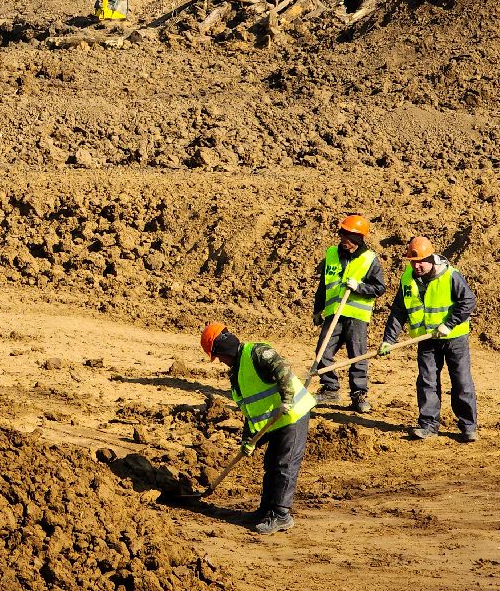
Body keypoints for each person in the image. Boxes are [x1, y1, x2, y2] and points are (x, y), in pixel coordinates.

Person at [200, 321, 315, 534]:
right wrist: (248, 439)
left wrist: (287, 399)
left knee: (284, 464)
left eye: (218, 357)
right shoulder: (236, 376)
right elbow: (251, 411)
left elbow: (283, 369)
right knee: (271, 464)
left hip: (294, 412)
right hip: (277, 421)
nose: (221, 362)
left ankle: (281, 515)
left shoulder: (256, 352)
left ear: (222, 348)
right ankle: (266, 509)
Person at [379, 236, 479, 442]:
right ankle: (428, 425)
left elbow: (468, 301)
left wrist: (448, 324)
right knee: (427, 381)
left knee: (461, 381)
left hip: (454, 338)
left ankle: (468, 426)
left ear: (431, 258)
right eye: (413, 262)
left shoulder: (450, 276)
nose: (416, 266)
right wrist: (388, 339)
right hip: (426, 339)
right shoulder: (407, 278)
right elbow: (399, 311)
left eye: (420, 262)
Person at [312, 214, 388, 413]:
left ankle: (358, 395)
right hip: (333, 313)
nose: (343, 240)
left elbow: (379, 288)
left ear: (358, 239)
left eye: (348, 236)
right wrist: (317, 309)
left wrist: (359, 287)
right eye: (342, 235)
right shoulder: (331, 254)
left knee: (357, 356)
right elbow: (323, 285)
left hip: (356, 316)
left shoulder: (369, 259)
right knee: (322, 351)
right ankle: (330, 388)